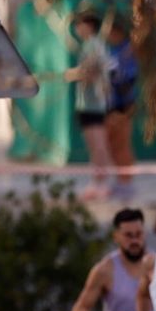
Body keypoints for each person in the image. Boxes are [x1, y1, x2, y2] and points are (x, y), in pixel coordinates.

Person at [67, 10, 113, 201]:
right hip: (88, 103)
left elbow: (90, 71)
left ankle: (101, 183)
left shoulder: (93, 45)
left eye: (81, 24)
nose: (78, 28)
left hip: (93, 103)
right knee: (94, 145)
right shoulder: (90, 45)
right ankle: (97, 182)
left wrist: (72, 74)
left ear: (89, 26)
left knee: (98, 145)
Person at [104, 20, 139, 199]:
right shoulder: (112, 49)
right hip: (111, 104)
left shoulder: (127, 50)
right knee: (112, 144)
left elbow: (129, 78)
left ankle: (127, 182)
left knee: (122, 145)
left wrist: (124, 105)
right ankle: (120, 180)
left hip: (123, 104)